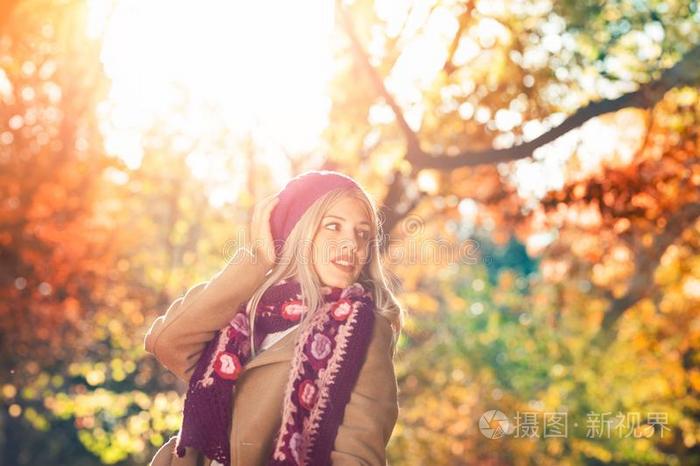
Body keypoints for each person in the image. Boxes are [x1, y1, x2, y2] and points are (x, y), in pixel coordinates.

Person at [144, 170, 404, 466]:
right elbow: (167, 341)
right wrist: (257, 260)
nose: (351, 244)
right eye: (333, 226)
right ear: (299, 232)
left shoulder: (362, 329)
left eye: (362, 233)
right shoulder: (248, 311)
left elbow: (357, 458)